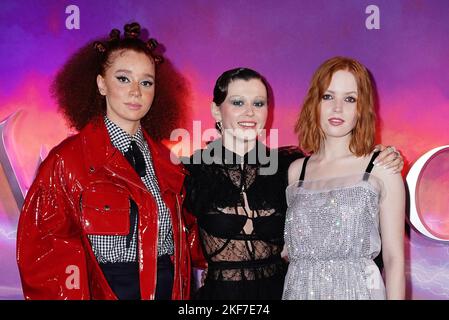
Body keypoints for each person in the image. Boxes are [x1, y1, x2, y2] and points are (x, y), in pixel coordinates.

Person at [182, 67, 403, 300]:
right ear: (216, 111)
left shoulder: (287, 169)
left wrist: (383, 155)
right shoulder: (192, 173)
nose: (249, 113)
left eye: (258, 103)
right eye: (238, 103)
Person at [16, 22, 191, 300]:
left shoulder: (168, 164)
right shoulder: (66, 162)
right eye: (123, 78)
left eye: (146, 82)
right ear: (101, 84)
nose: (136, 91)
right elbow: (42, 258)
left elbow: (184, 244)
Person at [282, 57, 405, 300]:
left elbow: (394, 259)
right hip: (299, 291)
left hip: (358, 292)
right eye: (328, 96)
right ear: (314, 103)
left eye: (350, 99)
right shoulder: (297, 171)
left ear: (362, 108)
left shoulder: (381, 168)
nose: (337, 108)